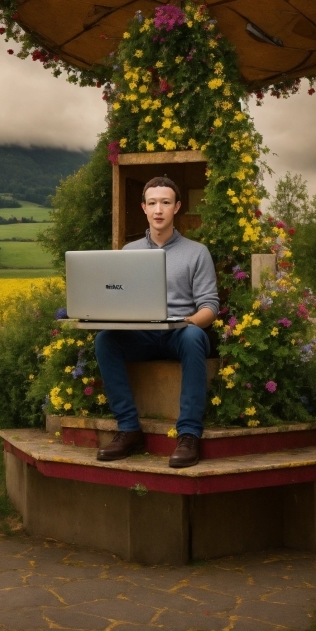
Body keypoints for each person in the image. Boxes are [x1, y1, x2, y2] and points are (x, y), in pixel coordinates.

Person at [95, 176, 219, 468]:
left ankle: (188, 435)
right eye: (152, 203)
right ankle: (128, 430)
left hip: (180, 333)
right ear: (144, 208)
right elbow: (121, 300)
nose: (158, 209)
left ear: (177, 207)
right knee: (105, 339)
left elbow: (210, 308)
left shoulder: (196, 252)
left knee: (191, 337)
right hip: (142, 334)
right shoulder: (129, 253)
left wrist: (185, 322)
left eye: (165, 202)